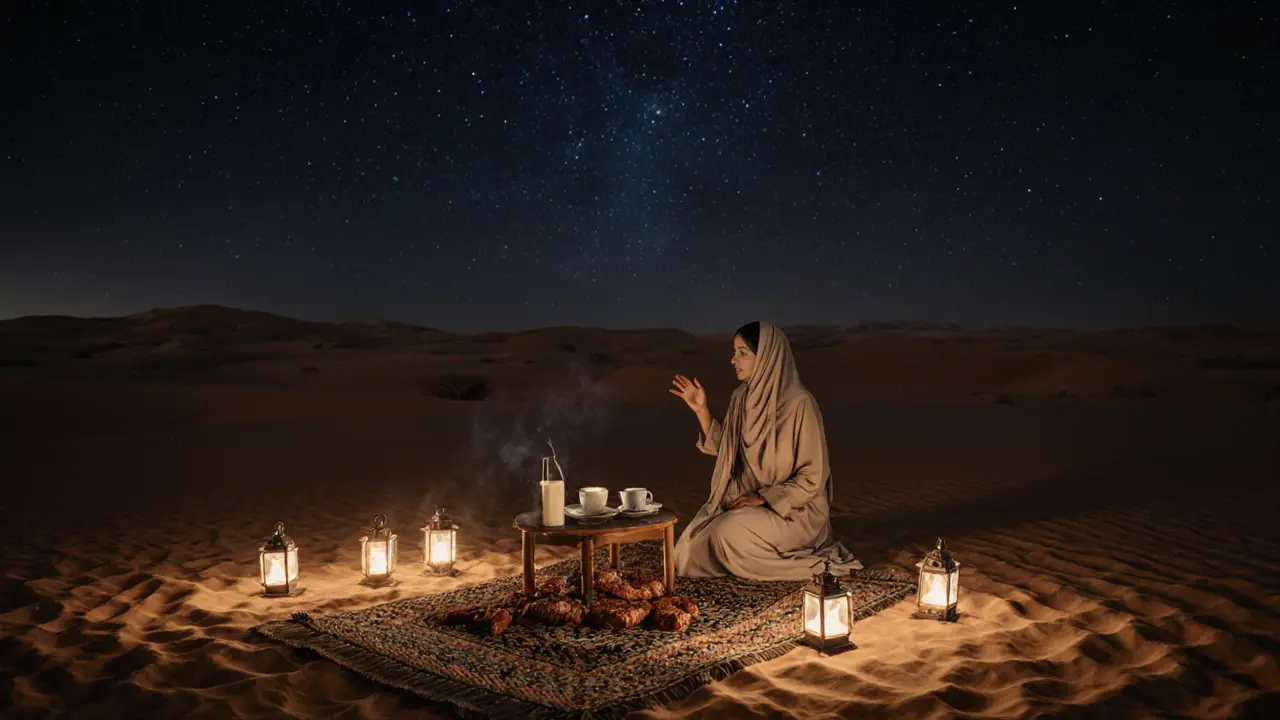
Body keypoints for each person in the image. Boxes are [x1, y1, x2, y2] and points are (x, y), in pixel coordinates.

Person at [668, 321, 862, 580]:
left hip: (792, 511)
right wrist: (701, 411)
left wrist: (764, 498)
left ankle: (817, 568)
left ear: (767, 356)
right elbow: (729, 452)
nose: (733, 360)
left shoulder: (799, 403)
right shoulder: (741, 398)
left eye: (742, 353)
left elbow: (813, 476)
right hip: (749, 504)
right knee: (688, 549)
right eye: (734, 352)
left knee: (726, 534)